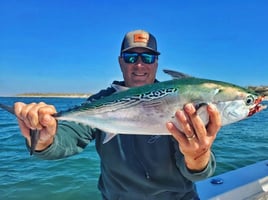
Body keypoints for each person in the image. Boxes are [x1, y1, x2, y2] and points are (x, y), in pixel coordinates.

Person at [14, 30, 221, 200]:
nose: (139, 65)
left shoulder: (178, 101)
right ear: (121, 62)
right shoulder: (100, 101)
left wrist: (198, 156)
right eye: (131, 57)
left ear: (155, 63)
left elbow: (196, 172)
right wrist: (45, 139)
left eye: (147, 57)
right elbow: (68, 137)